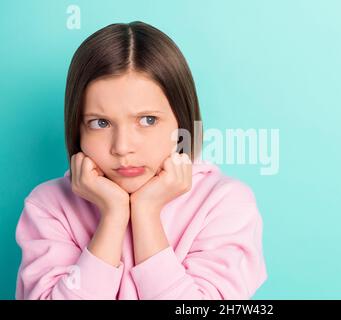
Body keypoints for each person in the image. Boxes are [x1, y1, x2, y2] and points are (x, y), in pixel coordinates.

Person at [15, 21, 267, 299]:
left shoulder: (224, 203)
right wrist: (113, 216)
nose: (122, 147)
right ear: (77, 127)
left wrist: (146, 212)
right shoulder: (50, 207)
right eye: (100, 123)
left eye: (148, 120)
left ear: (182, 122)